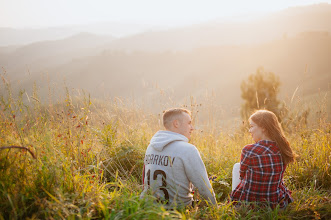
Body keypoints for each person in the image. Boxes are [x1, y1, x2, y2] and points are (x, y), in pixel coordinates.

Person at [140, 108, 217, 208]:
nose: (192, 127)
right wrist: (216, 210)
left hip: (149, 208)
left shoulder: (151, 146)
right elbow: (204, 188)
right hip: (178, 211)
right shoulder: (188, 150)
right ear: (176, 123)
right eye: (189, 123)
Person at [230, 110, 296, 209]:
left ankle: (234, 203)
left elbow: (242, 176)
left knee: (237, 166)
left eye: (252, 126)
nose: (249, 130)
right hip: (276, 206)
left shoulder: (248, 150)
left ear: (264, 128)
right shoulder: (283, 148)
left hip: (248, 206)